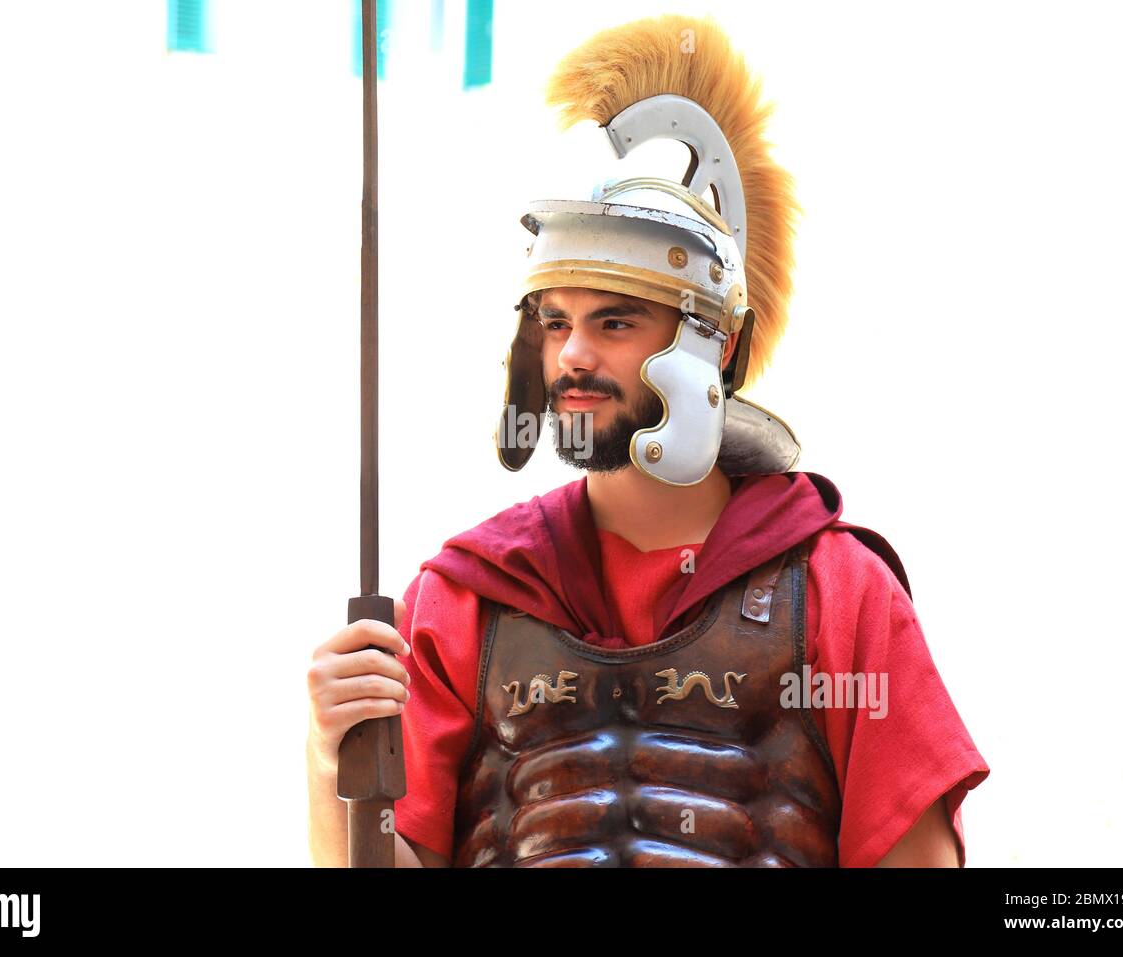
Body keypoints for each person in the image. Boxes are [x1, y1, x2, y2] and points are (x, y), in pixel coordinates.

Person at [307, 13, 988, 868]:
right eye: (556, 323)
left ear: (719, 345)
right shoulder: (463, 601)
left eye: (616, 321)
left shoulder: (839, 593)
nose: (576, 355)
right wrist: (332, 757)